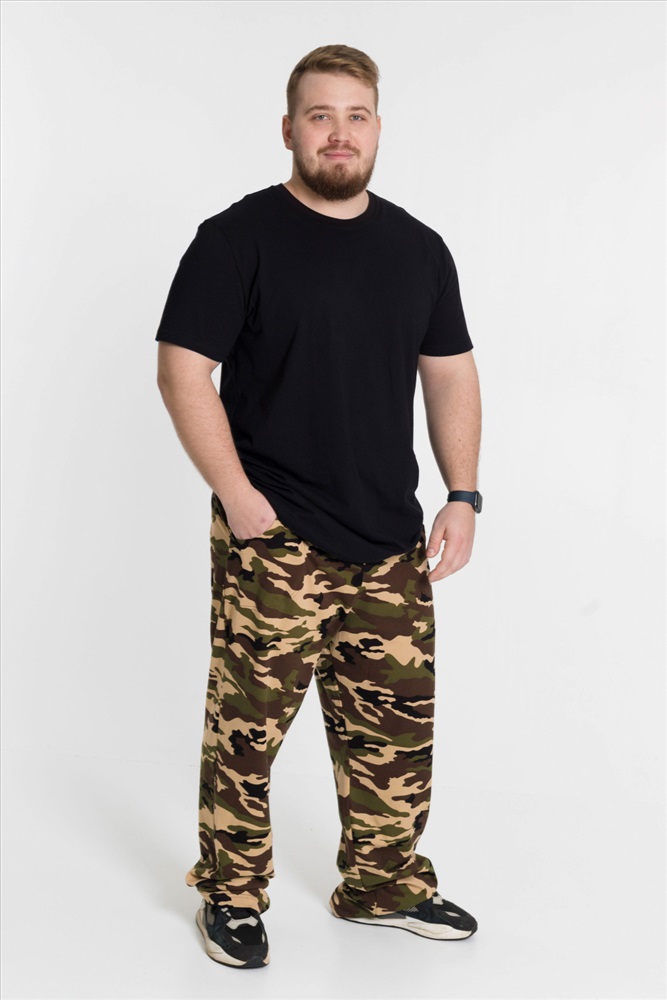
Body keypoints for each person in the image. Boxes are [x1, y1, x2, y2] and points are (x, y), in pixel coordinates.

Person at [155, 43, 482, 970]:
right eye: (320, 116)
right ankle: (230, 894)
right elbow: (182, 370)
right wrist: (238, 498)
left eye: (356, 116)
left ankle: (380, 885)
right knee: (246, 733)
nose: (339, 134)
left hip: (389, 541)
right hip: (276, 536)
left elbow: (450, 375)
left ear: (377, 128)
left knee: (395, 733)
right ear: (289, 128)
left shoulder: (417, 248)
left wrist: (462, 493)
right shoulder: (236, 238)